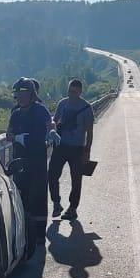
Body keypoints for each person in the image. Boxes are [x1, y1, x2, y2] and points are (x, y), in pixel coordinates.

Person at [6, 77, 60, 259]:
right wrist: (14, 136)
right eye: (18, 94)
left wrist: (52, 130)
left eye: (24, 93)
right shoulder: (15, 113)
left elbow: (48, 125)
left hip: (36, 160)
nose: (21, 97)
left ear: (32, 94)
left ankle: (38, 236)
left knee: (38, 195)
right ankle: (23, 233)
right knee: (21, 196)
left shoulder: (40, 110)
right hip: (20, 160)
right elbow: (10, 132)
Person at [48, 78, 94, 220]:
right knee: (52, 175)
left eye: (75, 92)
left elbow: (90, 132)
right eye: (70, 91)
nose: (72, 94)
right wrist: (53, 130)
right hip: (60, 146)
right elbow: (54, 121)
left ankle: (72, 208)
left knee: (76, 179)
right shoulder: (62, 103)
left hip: (77, 149)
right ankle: (56, 203)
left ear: (80, 92)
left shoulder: (87, 108)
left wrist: (87, 151)